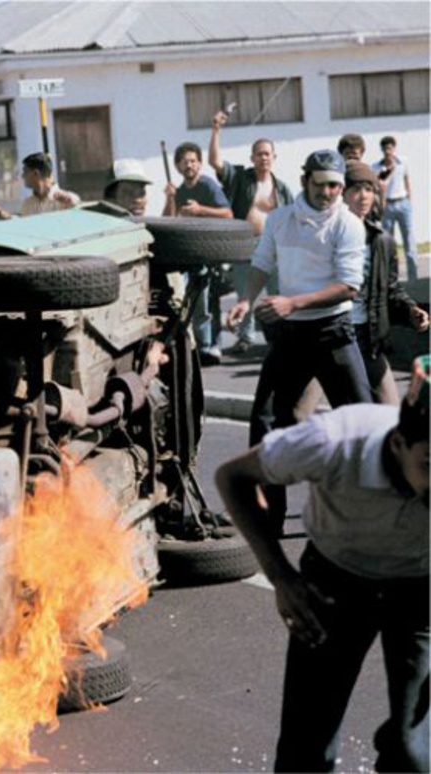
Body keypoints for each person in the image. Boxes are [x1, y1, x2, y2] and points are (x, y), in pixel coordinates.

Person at [215, 361, 429, 773]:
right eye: (430, 465)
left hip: (420, 590)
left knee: (415, 751)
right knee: (306, 749)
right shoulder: (334, 440)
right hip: (336, 582)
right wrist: (280, 576)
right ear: (399, 442)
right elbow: (233, 478)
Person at [226, 149, 372, 536]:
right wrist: (246, 299)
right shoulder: (279, 219)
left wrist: (292, 302)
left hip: (332, 331)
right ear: (306, 179)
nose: (329, 192)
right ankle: (269, 520)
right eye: (322, 184)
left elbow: (349, 287)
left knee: (364, 421)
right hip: (290, 335)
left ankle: (371, 515)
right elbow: (262, 263)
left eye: (336, 185)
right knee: (266, 422)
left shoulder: (348, 224)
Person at [344, 160, 430, 404]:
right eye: (356, 190)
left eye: (369, 189)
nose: (363, 196)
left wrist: (411, 311)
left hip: (367, 337)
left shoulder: (382, 241)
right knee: (297, 413)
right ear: (342, 194)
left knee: (389, 410)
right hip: (332, 340)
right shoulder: (326, 237)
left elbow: (390, 290)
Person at [208, 110, 294, 354]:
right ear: (252, 157)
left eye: (267, 154)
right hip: (247, 245)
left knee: (279, 292)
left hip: (275, 247)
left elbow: (293, 217)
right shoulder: (240, 178)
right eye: (259, 154)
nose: (263, 158)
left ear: (273, 157)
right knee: (245, 294)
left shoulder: (282, 188)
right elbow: (215, 162)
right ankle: (245, 337)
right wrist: (216, 130)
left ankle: (281, 336)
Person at [162, 141, 233, 365]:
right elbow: (168, 221)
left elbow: (228, 214)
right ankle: (198, 348)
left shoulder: (209, 186)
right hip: (188, 255)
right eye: (185, 162)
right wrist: (170, 198)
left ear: (200, 164)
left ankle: (211, 346)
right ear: (178, 167)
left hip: (211, 253)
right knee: (191, 303)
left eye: (193, 161)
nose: (189, 165)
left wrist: (200, 210)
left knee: (208, 302)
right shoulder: (179, 191)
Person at [372, 136, 418, 282]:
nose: (388, 152)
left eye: (390, 148)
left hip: (403, 203)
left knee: (409, 241)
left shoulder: (402, 162)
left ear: (394, 148)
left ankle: (414, 278)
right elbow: (377, 186)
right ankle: (392, 279)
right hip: (388, 206)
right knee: (389, 243)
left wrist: (409, 198)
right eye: (385, 149)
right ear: (382, 150)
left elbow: (406, 179)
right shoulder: (377, 167)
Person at [0, 152, 79, 220]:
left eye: (25, 172)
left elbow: (78, 207)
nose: (22, 176)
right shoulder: (28, 204)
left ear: (35, 174)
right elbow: (20, 224)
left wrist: (69, 200)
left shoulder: (65, 200)